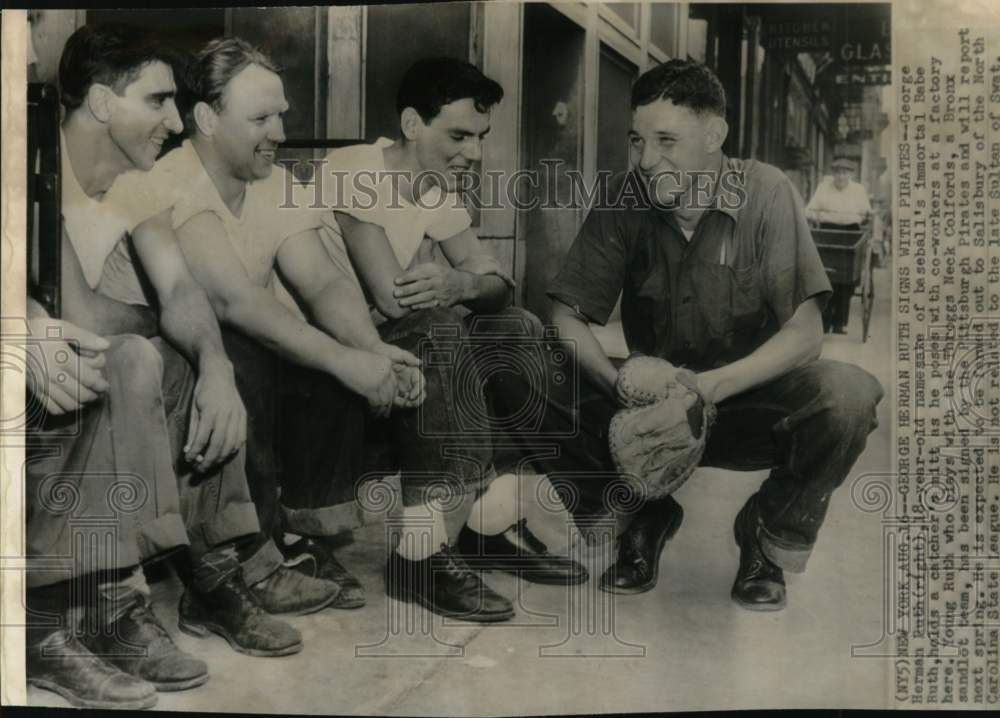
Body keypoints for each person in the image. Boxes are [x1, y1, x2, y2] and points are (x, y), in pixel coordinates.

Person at [496, 59, 883, 611]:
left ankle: (767, 538)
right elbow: (566, 318)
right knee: (515, 358)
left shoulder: (767, 192)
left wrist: (707, 389)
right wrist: (622, 384)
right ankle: (639, 509)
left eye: (666, 141)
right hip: (647, 412)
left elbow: (806, 334)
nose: (647, 160)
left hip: (746, 402)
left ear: (714, 136)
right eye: (637, 141)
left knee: (848, 396)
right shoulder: (625, 197)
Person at [96, 38, 437, 617]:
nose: (279, 131)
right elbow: (233, 301)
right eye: (261, 118)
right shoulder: (173, 177)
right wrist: (348, 361)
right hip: (160, 367)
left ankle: (298, 535)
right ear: (206, 118)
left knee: (329, 348)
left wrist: (371, 348)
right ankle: (248, 555)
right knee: (261, 349)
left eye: (281, 114)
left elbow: (323, 283)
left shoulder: (274, 182)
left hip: (222, 349)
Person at [44, 23, 318, 684]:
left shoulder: (137, 181)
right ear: (104, 103)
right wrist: (158, 325)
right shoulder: (35, 158)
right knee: (142, 355)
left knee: (197, 357)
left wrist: (216, 367)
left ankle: (213, 577)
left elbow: (180, 289)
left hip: (82, 366)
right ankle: (109, 602)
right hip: (30, 380)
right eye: (158, 101)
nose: (174, 120)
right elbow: (77, 313)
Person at [298, 56, 587, 620]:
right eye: (458, 135)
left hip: (397, 346)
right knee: (440, 328)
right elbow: (392, 296)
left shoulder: (436, 191)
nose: (474, 153)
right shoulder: (355, 168)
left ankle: (480, 525)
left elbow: (500, 287)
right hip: (325, 360)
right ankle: (420, 555)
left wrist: (460, 281)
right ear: (411, 124)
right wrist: (465, 284)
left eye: (480, 137)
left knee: (516, 328)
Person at [806, 155, 873, 333]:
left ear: (850, 175)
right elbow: (809, 210)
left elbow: (867, 212)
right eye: (838, 173)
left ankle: (839, 323)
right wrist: (814, 215)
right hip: (827, 233)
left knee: (847, 279)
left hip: (851, 234)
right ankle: (825, 321)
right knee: (825, 278)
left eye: (845, 173)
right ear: (833, 173)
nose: (841, 177)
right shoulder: (823, 188)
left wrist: (867, 216)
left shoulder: (858, 190)